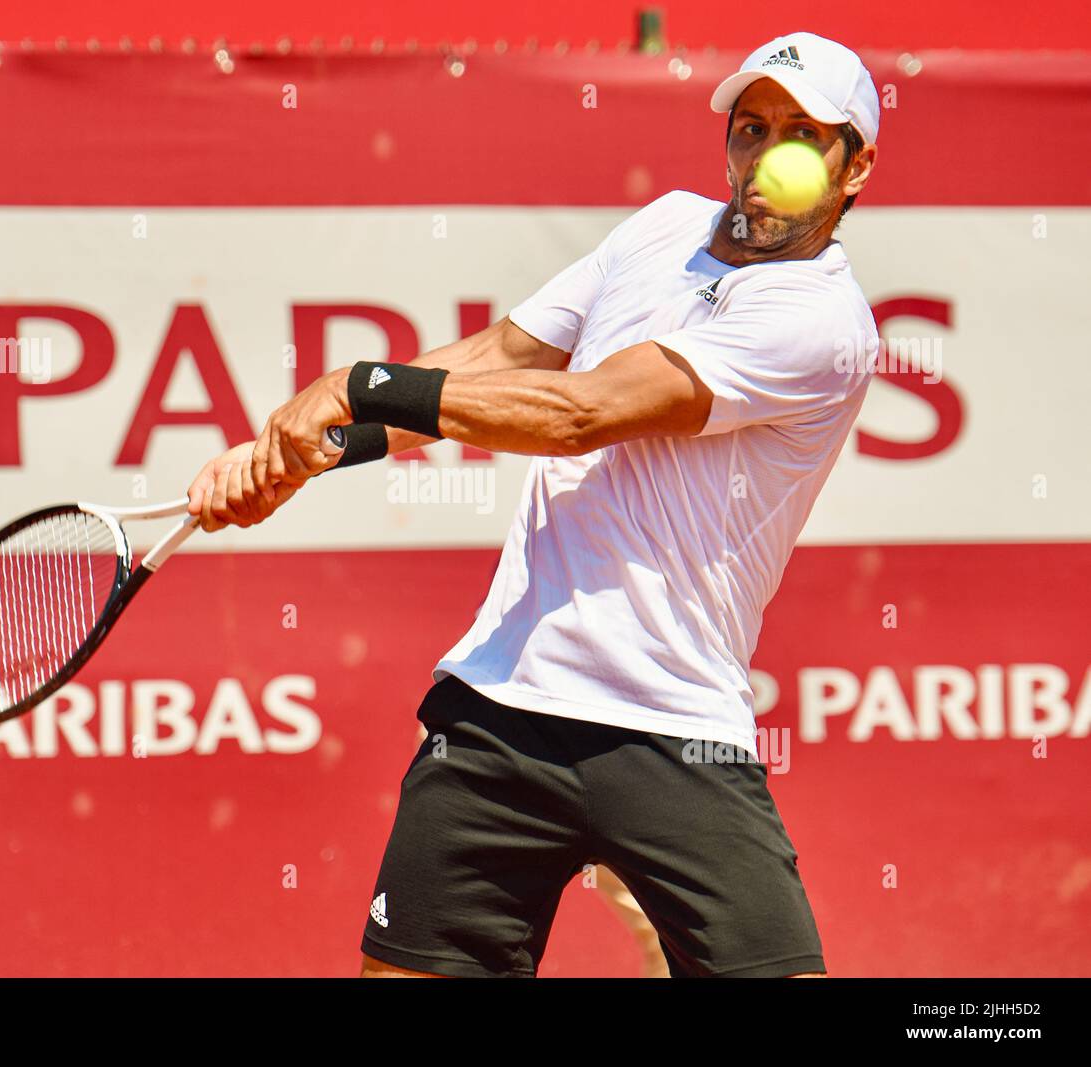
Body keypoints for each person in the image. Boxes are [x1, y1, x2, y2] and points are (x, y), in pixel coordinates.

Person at [189, 31, 879, 978]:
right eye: (750, 127)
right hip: (504, 700)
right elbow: (506, 364)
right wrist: (309, 452)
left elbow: (579, 413)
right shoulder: (662, 226)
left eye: (802, 133)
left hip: (673, 726)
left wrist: (359, 382)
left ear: (856, 167)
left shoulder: (819, 323)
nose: (766, 155)